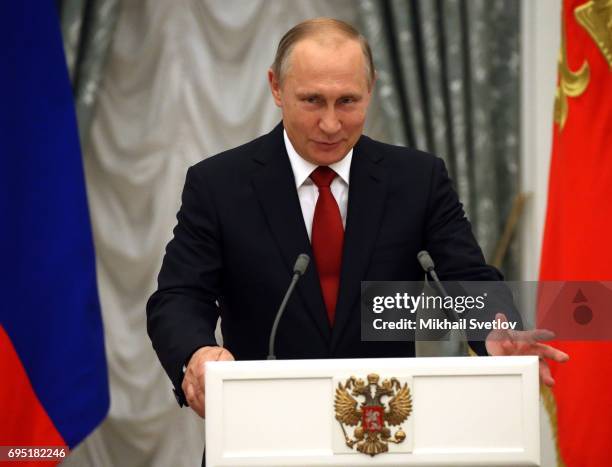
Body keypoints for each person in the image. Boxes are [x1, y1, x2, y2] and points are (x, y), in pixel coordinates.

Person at [146, 18, 568, 423]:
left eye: (347, 101)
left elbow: (465, 278)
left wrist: (497, 330)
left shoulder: (417, 180)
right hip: (263, 427)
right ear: (276, 87)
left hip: (384, 427)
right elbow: (180, 296)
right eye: (312, 100)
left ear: (371, 89)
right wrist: (197, 353)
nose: (331, 124)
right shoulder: (218, 184)